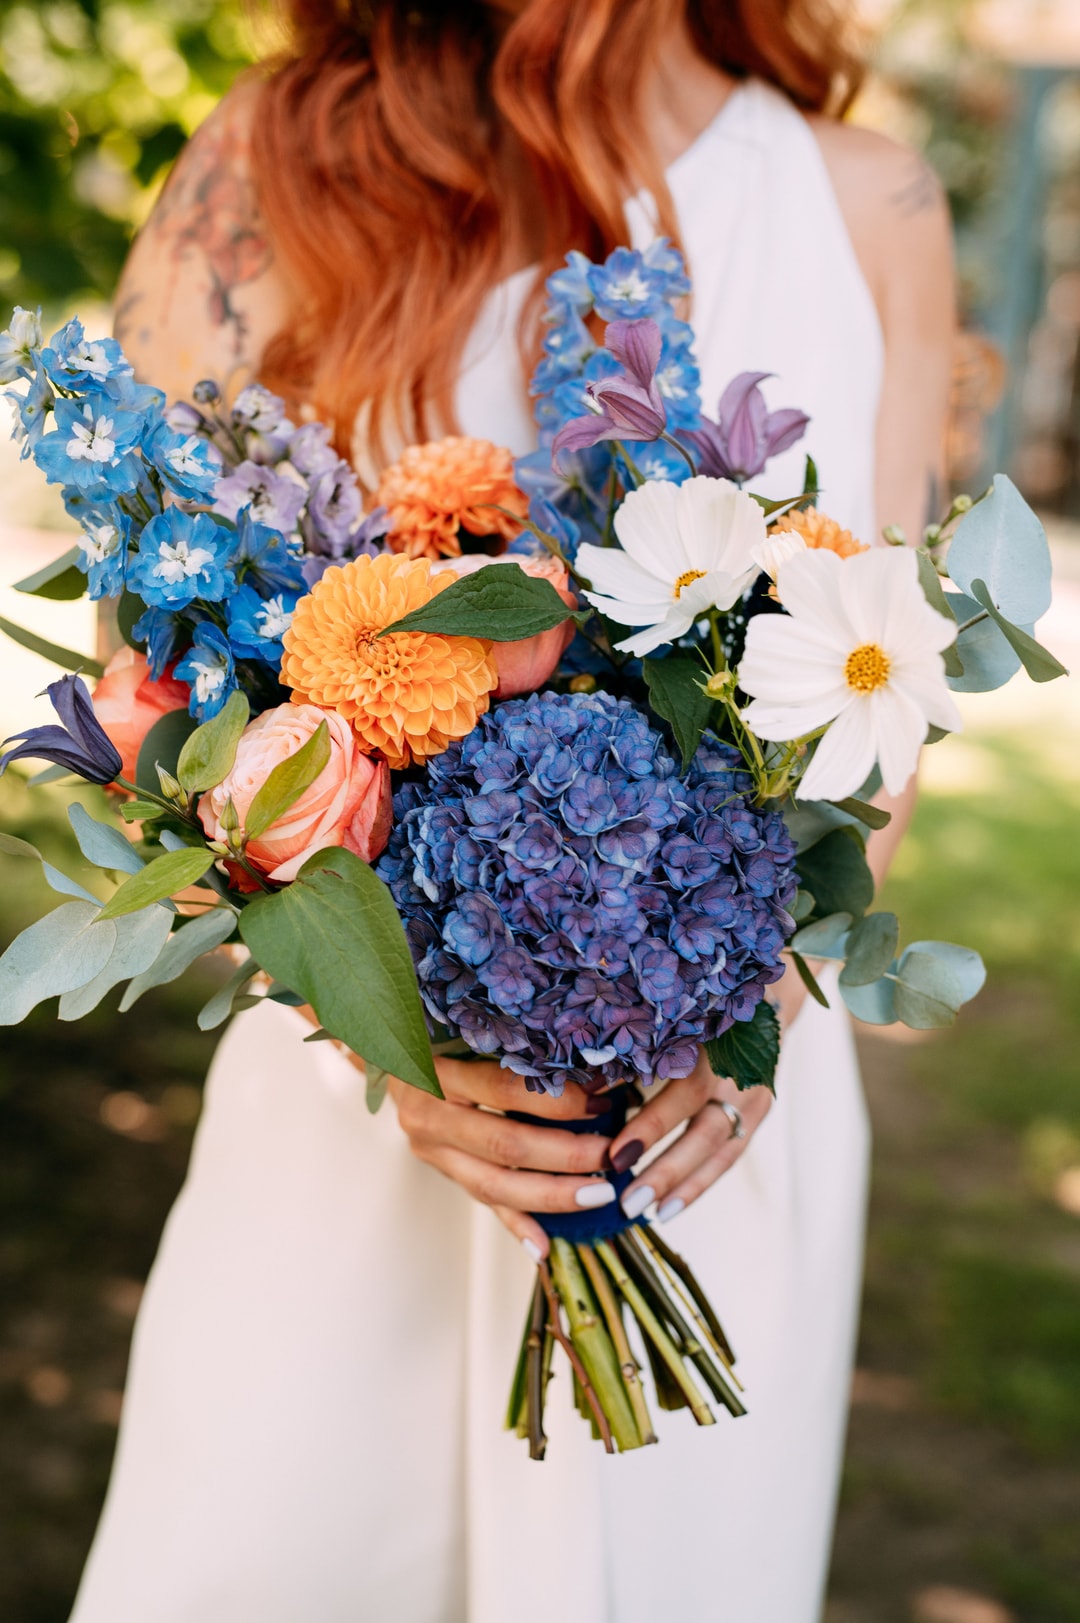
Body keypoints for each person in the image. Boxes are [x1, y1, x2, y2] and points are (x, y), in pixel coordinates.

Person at [71, 2, 955, 1619]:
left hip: (705, 1134)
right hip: (352, 1143)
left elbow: (879, 699)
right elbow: (156, 719)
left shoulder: (869, 201)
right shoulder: (271, 169)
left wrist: (742, 995)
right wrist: (381, 1037)